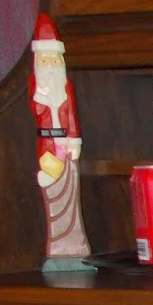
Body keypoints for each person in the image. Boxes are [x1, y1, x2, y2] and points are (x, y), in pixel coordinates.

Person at [30, 13, 91, 267]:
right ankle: (57, 247)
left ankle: (76, 245)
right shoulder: (37, 88)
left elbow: (71, 117)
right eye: (44, 60)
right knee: (52, 196)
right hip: (47, 148)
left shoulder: (66, 88)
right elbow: (38, 113)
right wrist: (42, 97)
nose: (49, 65)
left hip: (66, 145)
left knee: (70, 195)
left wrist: (74, 141)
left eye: (53, 60)